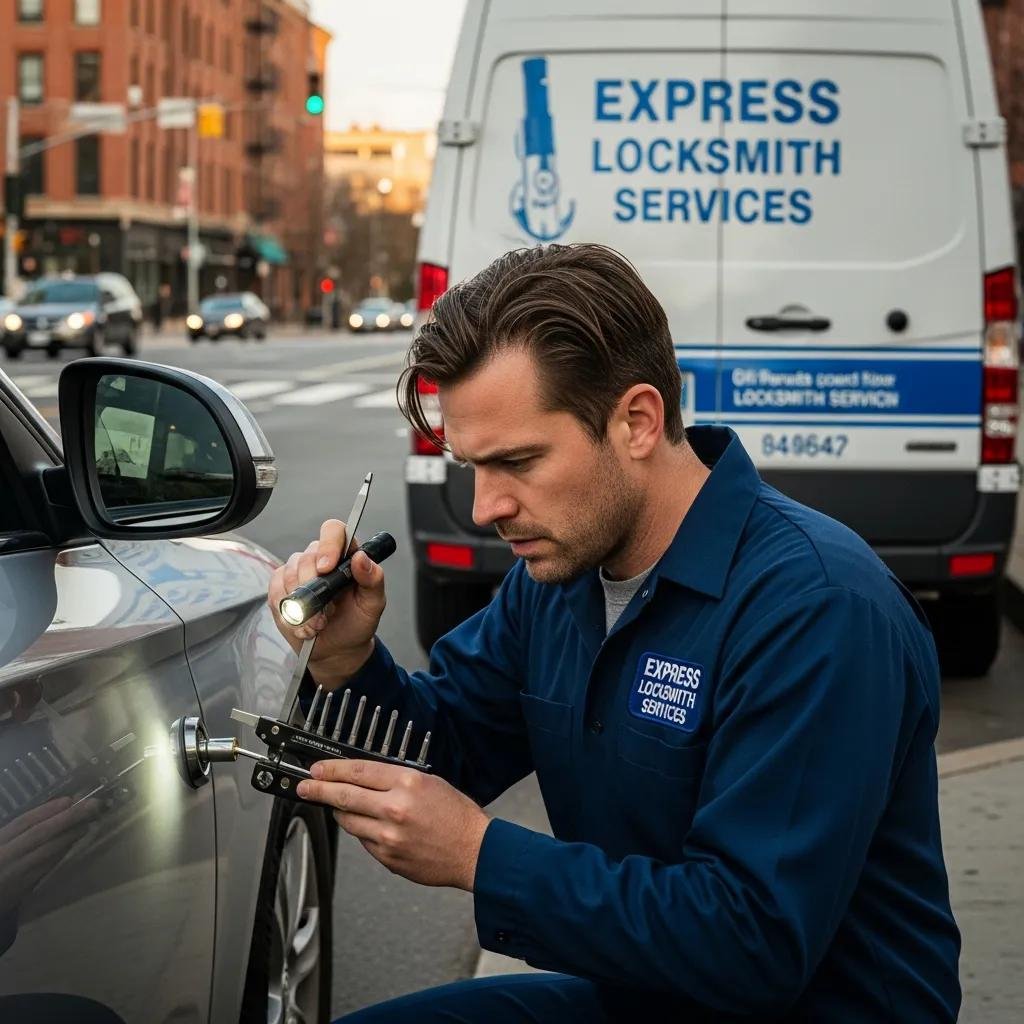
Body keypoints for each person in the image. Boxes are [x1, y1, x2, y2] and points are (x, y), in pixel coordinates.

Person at [269, 244, 961, 1022]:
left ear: (637, 421)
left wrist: (479, 855)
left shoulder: (817, 609)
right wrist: (346, 660)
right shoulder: (561, 578)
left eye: (518, 461)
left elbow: (754, 942)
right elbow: (444, 750)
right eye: (469, 466)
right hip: (648, 993)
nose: (485, 507)